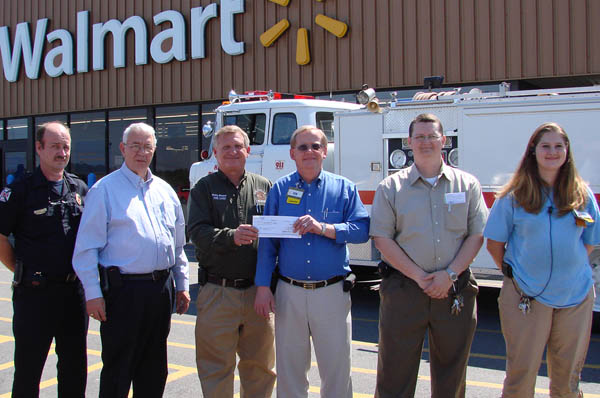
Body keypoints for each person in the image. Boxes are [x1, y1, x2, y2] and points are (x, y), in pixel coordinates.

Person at [370, 113, 488, 398]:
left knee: (452, 372)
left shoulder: (467, 184)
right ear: (409, 143)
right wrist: (421, 277)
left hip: (454, 289)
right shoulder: (391, 187)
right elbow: (382, 239)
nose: (426, 142)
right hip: (404, 290)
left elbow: (477, 234)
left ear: (443, 141)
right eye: (419, 137)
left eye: (432, 136)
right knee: (394, 372)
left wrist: (449, 276)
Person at [72, 122, 190, 398]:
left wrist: (182, 284)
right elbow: (86, 248)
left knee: (154, 369)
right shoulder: (104, 191)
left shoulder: (165, 191)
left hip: (160, 291)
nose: (141, 152)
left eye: (147, 146)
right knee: (118, 369)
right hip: (123, 292)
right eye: (135, 146)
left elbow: (178, 245)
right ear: (123, 149)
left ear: (154, 151)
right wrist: (92, 293)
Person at [484, 122, 600, 398]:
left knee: (567, 380)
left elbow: (590, 242)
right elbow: (494, 244)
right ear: (533, 151)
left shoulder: (581, 195)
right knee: (520, 378)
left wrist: (566, 270)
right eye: (546, 146)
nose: (552, 152)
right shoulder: (514, 196)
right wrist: (521, 277)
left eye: (559, 146)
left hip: (575, 297)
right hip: (527, 298)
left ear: (567, 151)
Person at [254, 125, 370, 398]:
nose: (309, 152)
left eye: (315, 146)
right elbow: (268, 244)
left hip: (331, 293)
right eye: (303, 147)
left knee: (337, 371)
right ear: (292, 153)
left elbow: (362, 230)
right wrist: (262, 286)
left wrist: (325, 228)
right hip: (289, 293)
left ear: (325, 151)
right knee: (290, 371)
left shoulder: (344, 188)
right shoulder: (280, 189)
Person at [0, 122, 88, 397]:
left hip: (74, 294)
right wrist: (24, 270)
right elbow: (2, 239)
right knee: (28, 370)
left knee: (75, 369)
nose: (62, 152)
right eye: (55, 146)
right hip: (35, 295)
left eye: (66, 146)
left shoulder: (80, 189)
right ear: (39, 148)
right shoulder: (19, 191)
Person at [188, 125, 275, 397]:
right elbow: (196, 233)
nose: (233, 151)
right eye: (226, 147)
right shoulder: (204, 188)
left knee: (261, 369)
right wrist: (231, 236)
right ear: (215, 153)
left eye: (238, 146)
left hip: (257, 294)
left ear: (248, 151)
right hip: (218, 293)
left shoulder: (264, 186)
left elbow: (274, 238)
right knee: (216, 369)